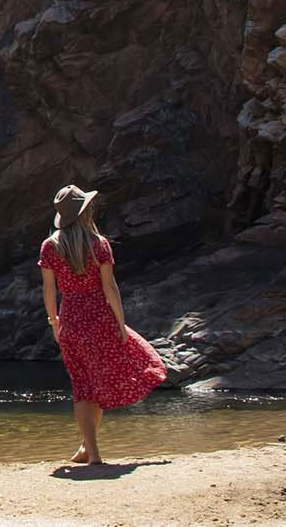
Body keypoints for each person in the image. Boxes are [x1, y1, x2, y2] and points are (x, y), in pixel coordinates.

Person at [37, 184, 167, 466]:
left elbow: (49, 291)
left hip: (70, 318)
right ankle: (91, 450)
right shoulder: (99, 244)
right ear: (85, 212)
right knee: (101, 380)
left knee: (83, 386)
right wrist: (121, 323)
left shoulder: (50, 246)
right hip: (100, 317)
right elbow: (110, 287)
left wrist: (53, 323)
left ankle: (90, 450)